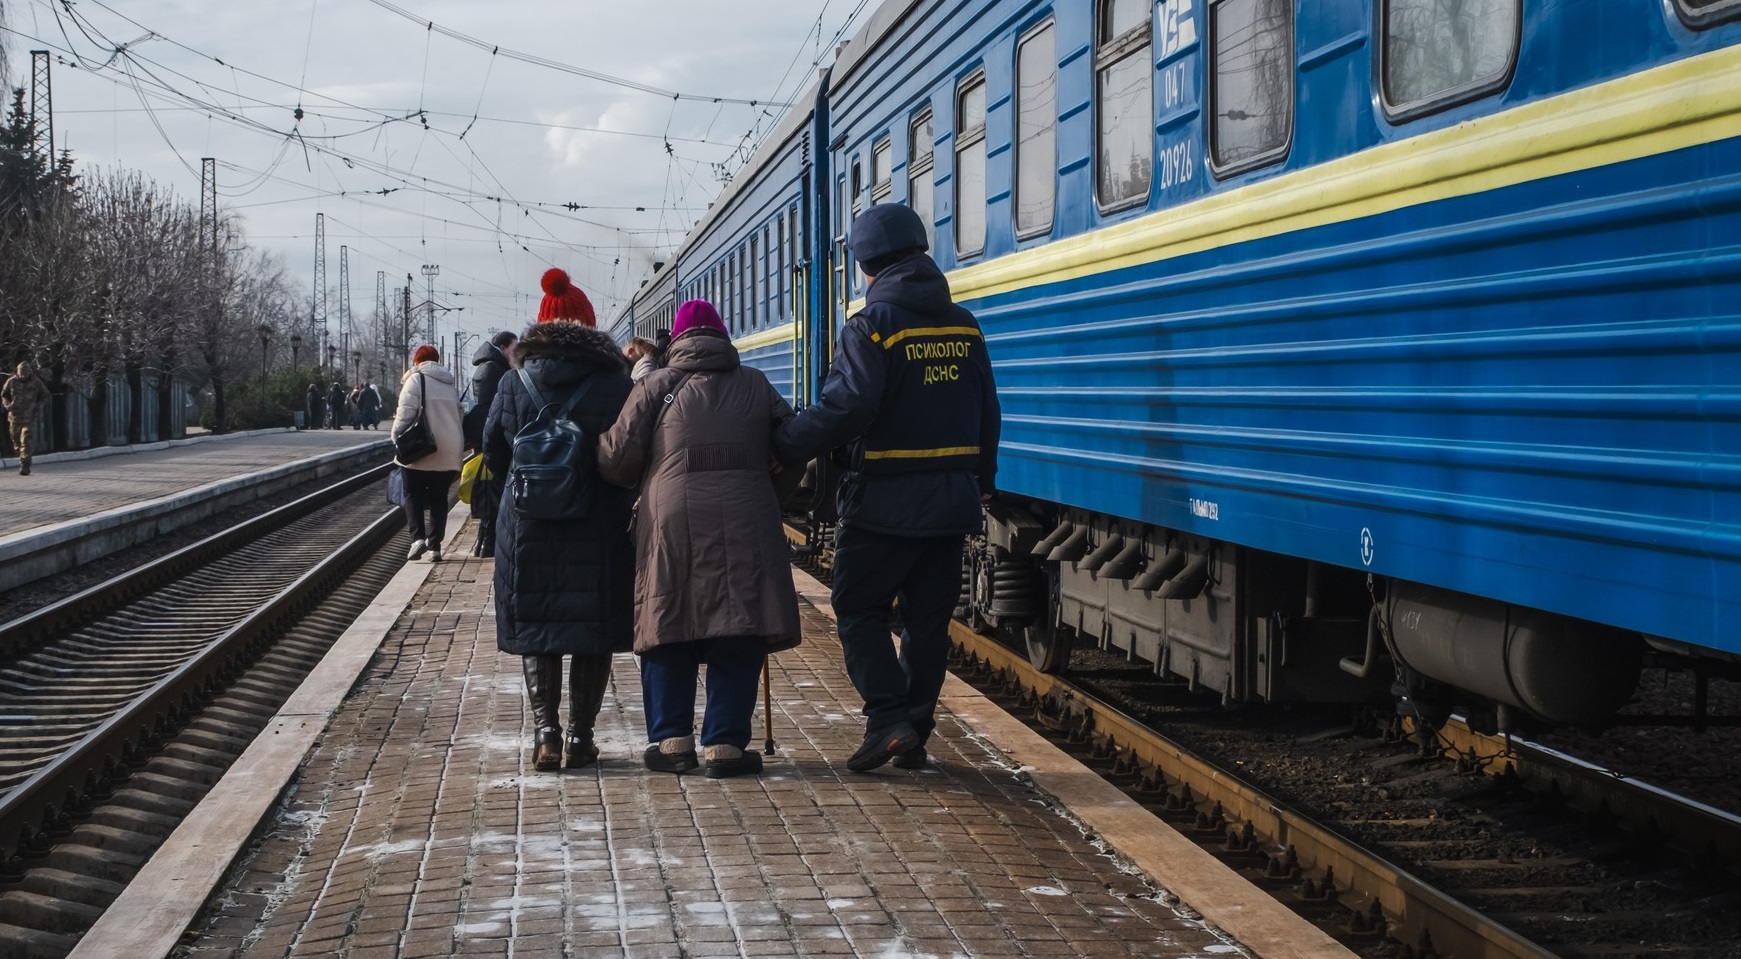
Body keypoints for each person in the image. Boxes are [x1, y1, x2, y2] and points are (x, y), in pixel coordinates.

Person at [772, 203, 1001, 772]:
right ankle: (913, 730)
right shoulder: (964, 325)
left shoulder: (871, 328)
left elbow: (847, 406)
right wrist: (983, 482)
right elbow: (988, 411)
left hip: (884, 505)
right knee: (928, 622)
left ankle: (887, 719)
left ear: (866, 266)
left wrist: (785, 443)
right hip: (951, 501)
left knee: (858, 608)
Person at [599, 300, 801, 778]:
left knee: (668, 617)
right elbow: (792, 450)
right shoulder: (756, 384)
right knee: (739, 620)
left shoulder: (655, 386)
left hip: (671, 519)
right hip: (747, 514)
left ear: (677, 341)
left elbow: (615, 460)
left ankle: (671, 742)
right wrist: (768, 489)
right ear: (723, 337)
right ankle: (726, 746)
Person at [483, 268, 632, 771]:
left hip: (528, 524)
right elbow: (627, 454)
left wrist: (524, 492)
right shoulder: (616, 383)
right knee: (592, 627)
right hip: (598, 522)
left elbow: (493, 452)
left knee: (538, 626)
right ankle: (580, 738)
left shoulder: (512, 382)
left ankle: (545, 732)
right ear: (590, 327)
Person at [392, 345, 465, 562]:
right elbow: (460, 416)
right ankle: (435, 548)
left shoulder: (416, 380)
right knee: (439, 498)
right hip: (448, 449)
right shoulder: (450, 385)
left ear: (417, 362)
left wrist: (396, 439)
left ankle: (417, 540)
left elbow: (405, 415)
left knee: (411, 493)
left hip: (420, 449)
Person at [465, 332, 517, 558]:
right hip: (491, 440)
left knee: (491, 493)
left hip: (489, 438)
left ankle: (485, 542)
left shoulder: (489, 367)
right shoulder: (493, 370)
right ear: (503, 347)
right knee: (492, 494)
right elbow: (489, 410)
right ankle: (487, 543)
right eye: (513, 348)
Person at [2, 362, 51, 476]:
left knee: (26, 439)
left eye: (25, 373)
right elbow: (4, 395)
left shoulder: (36, 382)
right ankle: (22, 457)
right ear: (18, 373)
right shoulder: (11, 381)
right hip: (14, 417)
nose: (23, 376)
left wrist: (38, 406)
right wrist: (8, 405)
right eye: (21, 374)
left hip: (30, 417)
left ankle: (25, 465)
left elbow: (45, 395)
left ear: (29, 372)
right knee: (16, 440)